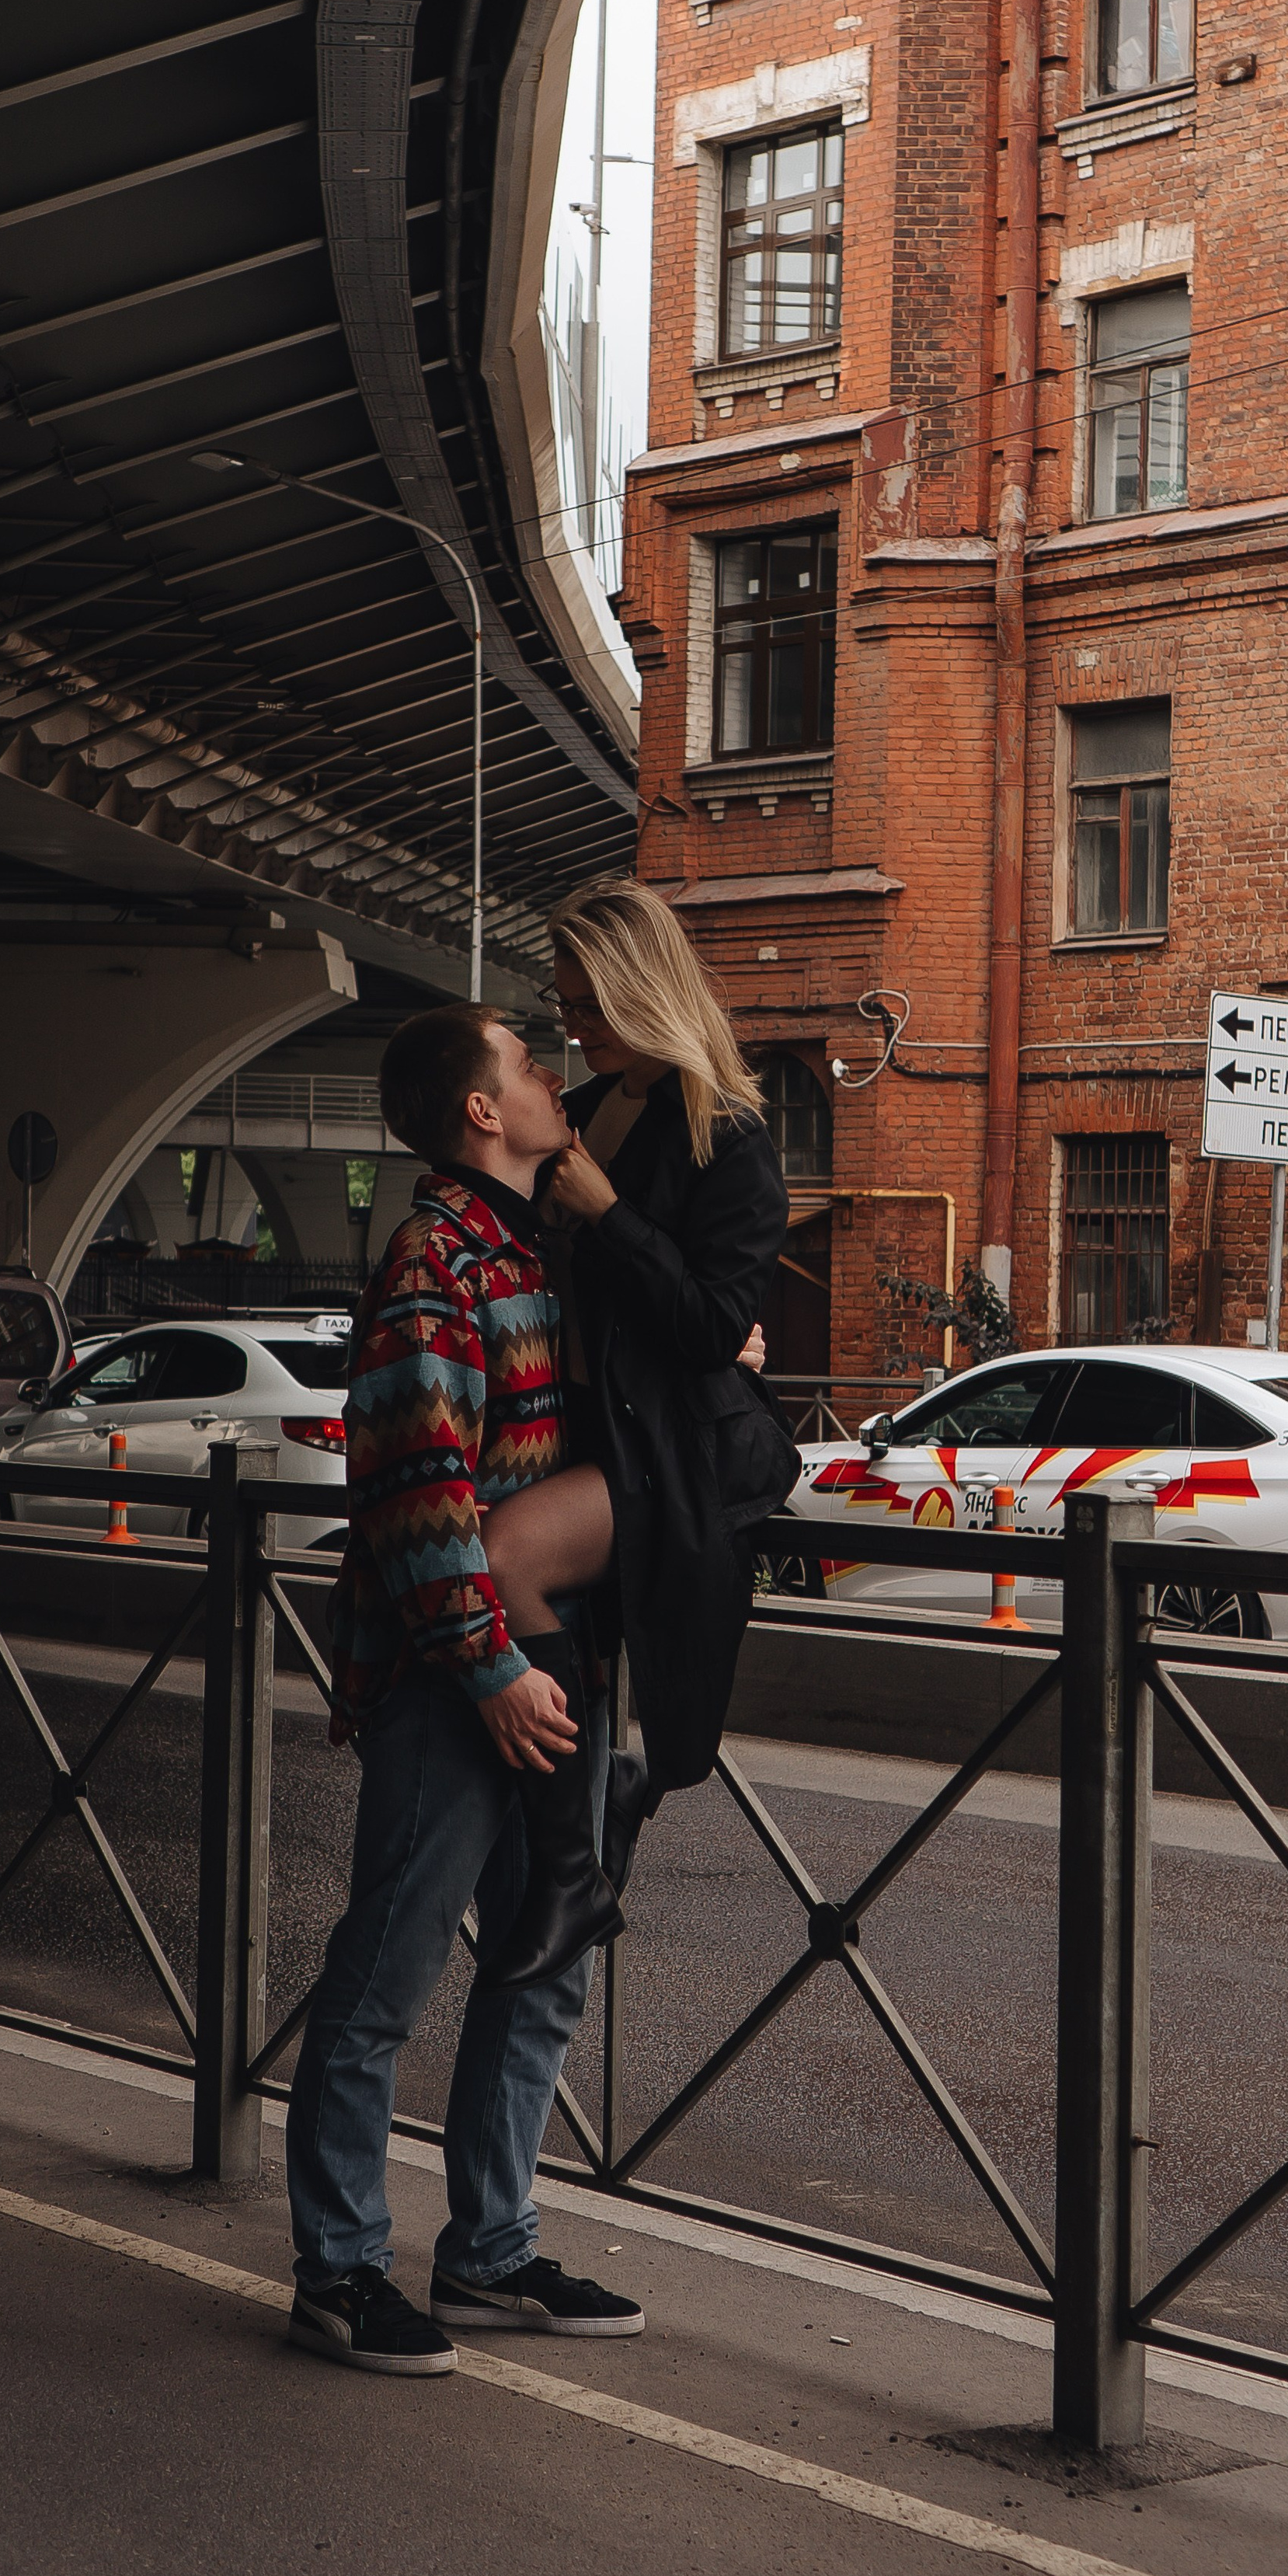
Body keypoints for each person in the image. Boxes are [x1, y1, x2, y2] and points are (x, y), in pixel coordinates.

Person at [284, 1001, 644, 2377]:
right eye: (530, 1067)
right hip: (464, 1678)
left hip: (549, 1660)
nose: (556, 1082)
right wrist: (491, 1670)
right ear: (483, 1112)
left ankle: (490, 2252)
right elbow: (415, 1494)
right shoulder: (435, 1261)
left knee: (540, 1963)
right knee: (386, 1973)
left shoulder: (530, 1248)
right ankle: (339, 2269)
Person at [475, 877, 798, 1985]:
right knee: (507, 1565)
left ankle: (572, 1870)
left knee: (503, 1555)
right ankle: (591, 1817)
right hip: (589, 1431)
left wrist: (609, 1215)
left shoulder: (731, 1133)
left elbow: (716, 1328)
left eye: (589, 1006)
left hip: (680, 1449)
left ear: (642, 993)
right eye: (564, 1003)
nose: (571, 1024)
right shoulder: (589, 1100)